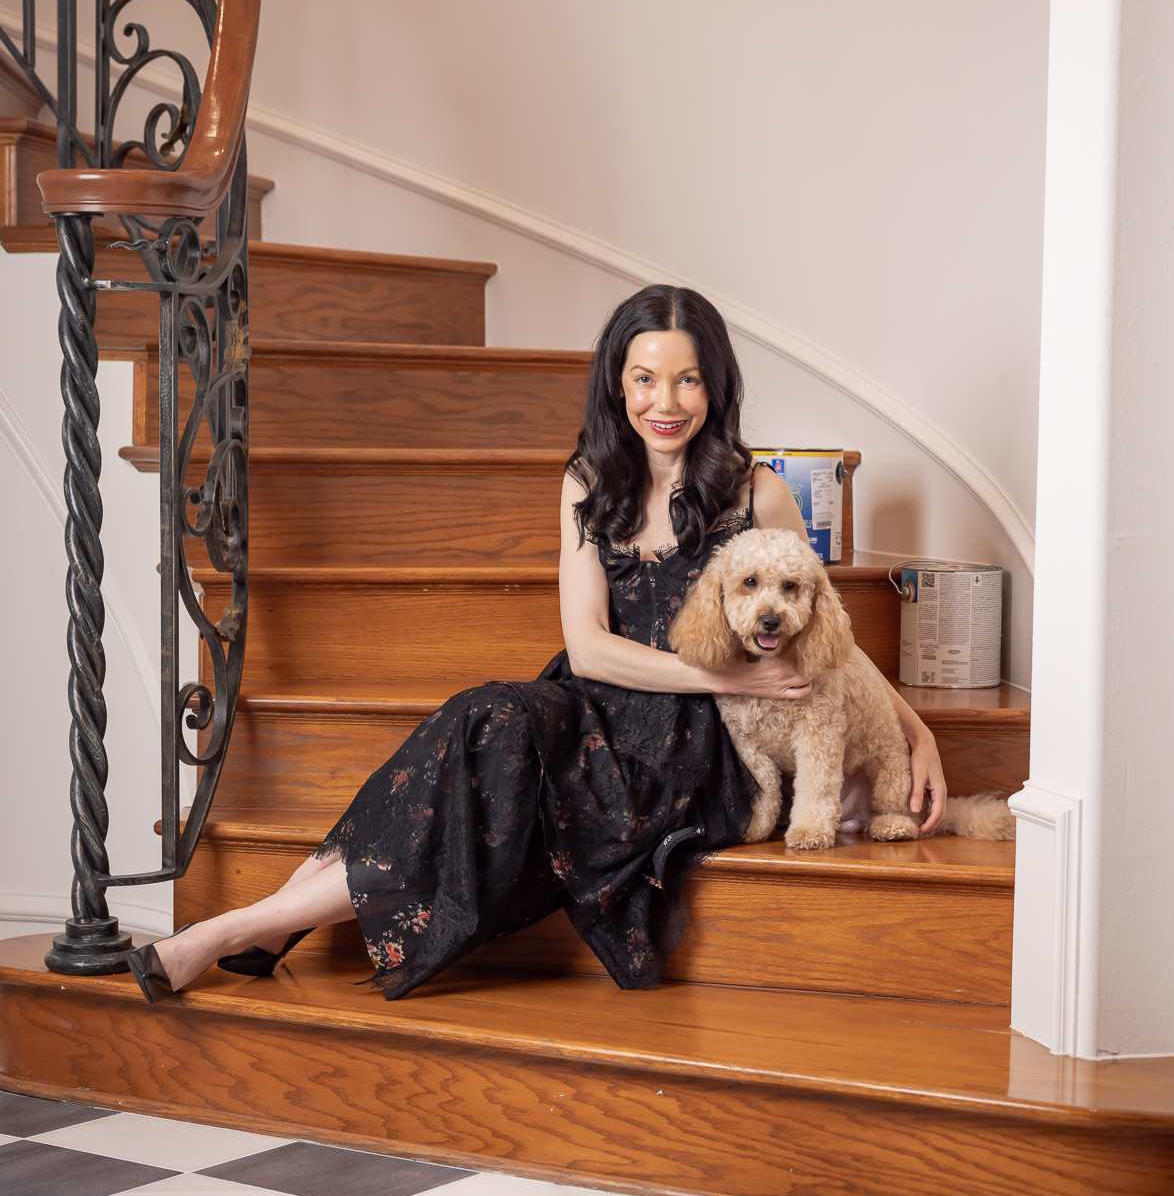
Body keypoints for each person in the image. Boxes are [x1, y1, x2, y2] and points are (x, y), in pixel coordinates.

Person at [127, 286, 946, 1004]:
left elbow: (823, 632)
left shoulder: (755, 489)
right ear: (617, 384)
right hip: (597, 700)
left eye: (687, 378)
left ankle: (237, 929)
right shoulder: (587, 480)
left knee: (509, 762)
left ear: (715, 385)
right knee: (486, 717)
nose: (666, 400)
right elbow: (587, 650)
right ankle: (258, 926)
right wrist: (714, 669)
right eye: (644, 378)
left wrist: (911, 729)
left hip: (702, 746)